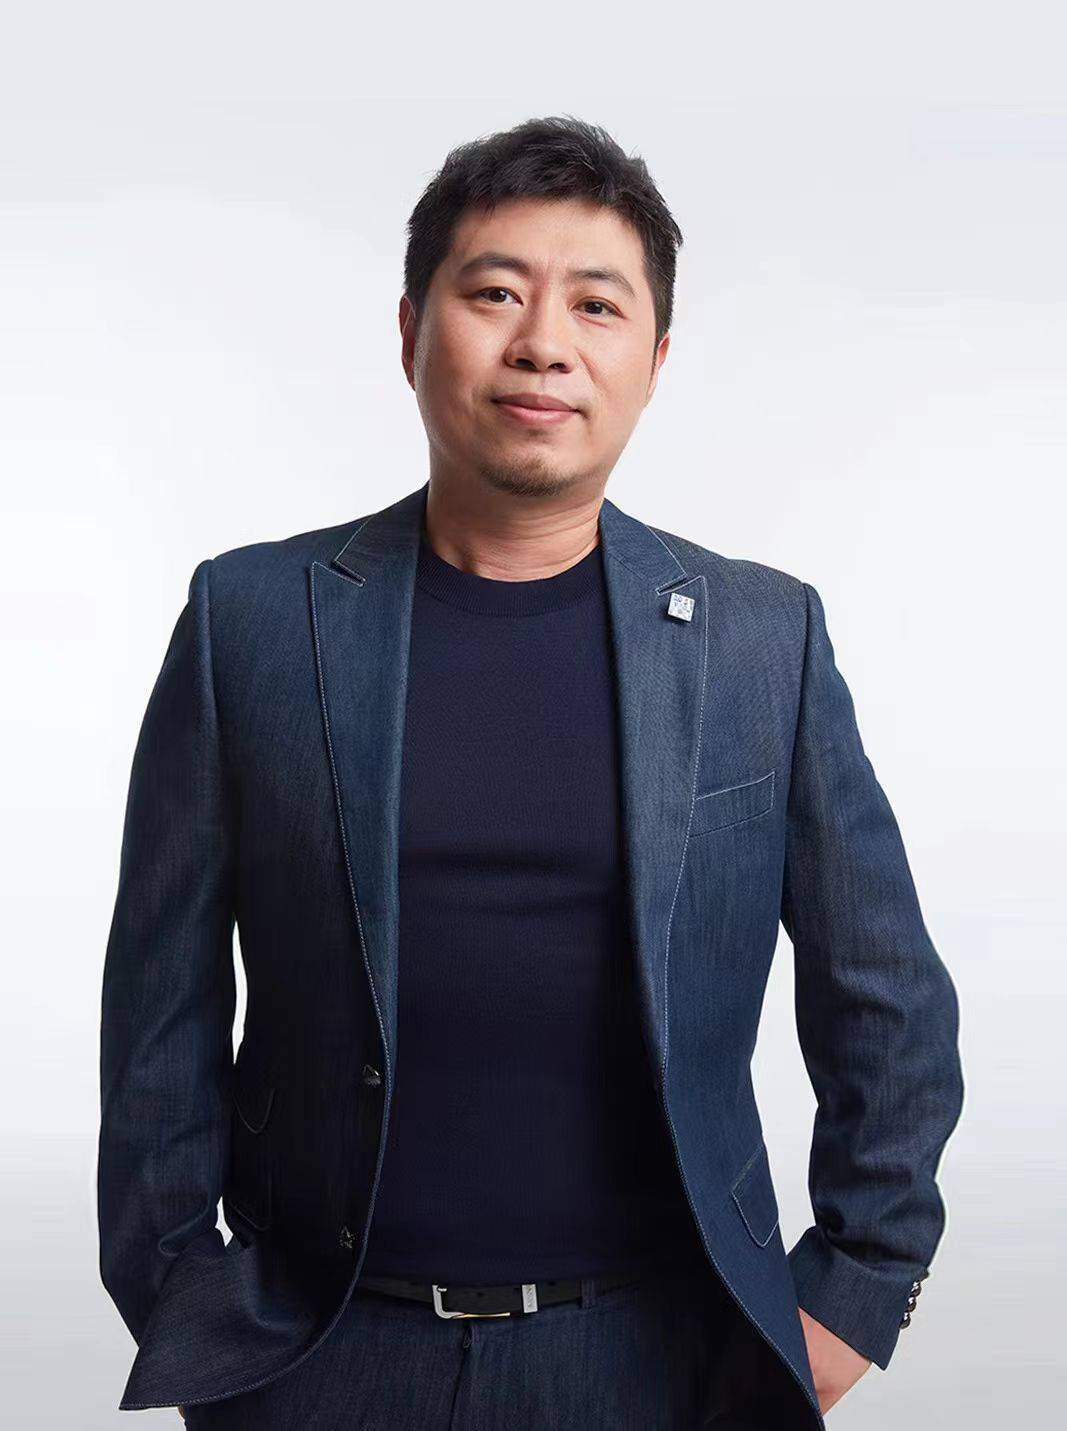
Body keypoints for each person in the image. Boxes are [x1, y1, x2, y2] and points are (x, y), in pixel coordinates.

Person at [98, 115, 965, 1430]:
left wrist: (856, 1291)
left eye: (597, 305)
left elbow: (885, 995)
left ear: (654, 362)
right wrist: (188, 1306)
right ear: (411, 332)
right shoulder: (253, 622)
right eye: (496, 292)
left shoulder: (760, 639)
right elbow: (157, 1009)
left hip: (662, 1358)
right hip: (323, 1359)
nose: (544, 342)